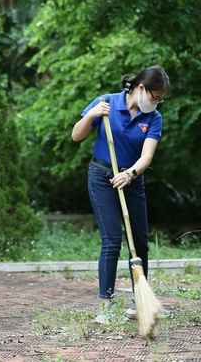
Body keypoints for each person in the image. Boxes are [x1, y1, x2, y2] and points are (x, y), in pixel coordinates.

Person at [71, 65, 170, 324]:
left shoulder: (153, 118)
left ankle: (140, 302)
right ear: (141, 88)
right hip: (102, 177)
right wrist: (91, 114)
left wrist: (130, 175)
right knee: (112, 240)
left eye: (160, 100)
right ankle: (106, 304)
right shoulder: (106, 102)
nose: (156, 103)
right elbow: (76, 135)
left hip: (132, 181)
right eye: (154, 97)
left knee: (139, 242)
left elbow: (146, 157)